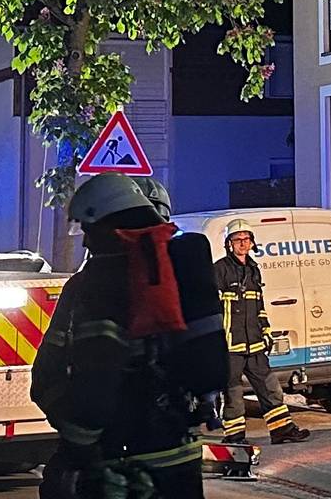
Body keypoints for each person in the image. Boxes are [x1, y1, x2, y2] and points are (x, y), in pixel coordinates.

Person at [30, 174, 230, 499]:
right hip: (179, 449)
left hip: (119, 457)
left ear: (106, 223)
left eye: (88, 230)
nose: (85, 242)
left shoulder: (100, 282)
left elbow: (97, 374)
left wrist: (79, 444)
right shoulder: (179, 266)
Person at [212, 220, 305, 447]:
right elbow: (212, 307)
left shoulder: (253, 269)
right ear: (229, 244)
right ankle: (235, 437)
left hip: (254, 343)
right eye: (237, 240)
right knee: (233, 392)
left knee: (270, 387)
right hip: (230, 345)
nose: (243, 243)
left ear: (252, 242)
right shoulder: (220, 269)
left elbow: (259, 306)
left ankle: (281, 430)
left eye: (246, 239)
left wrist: (266, 331)